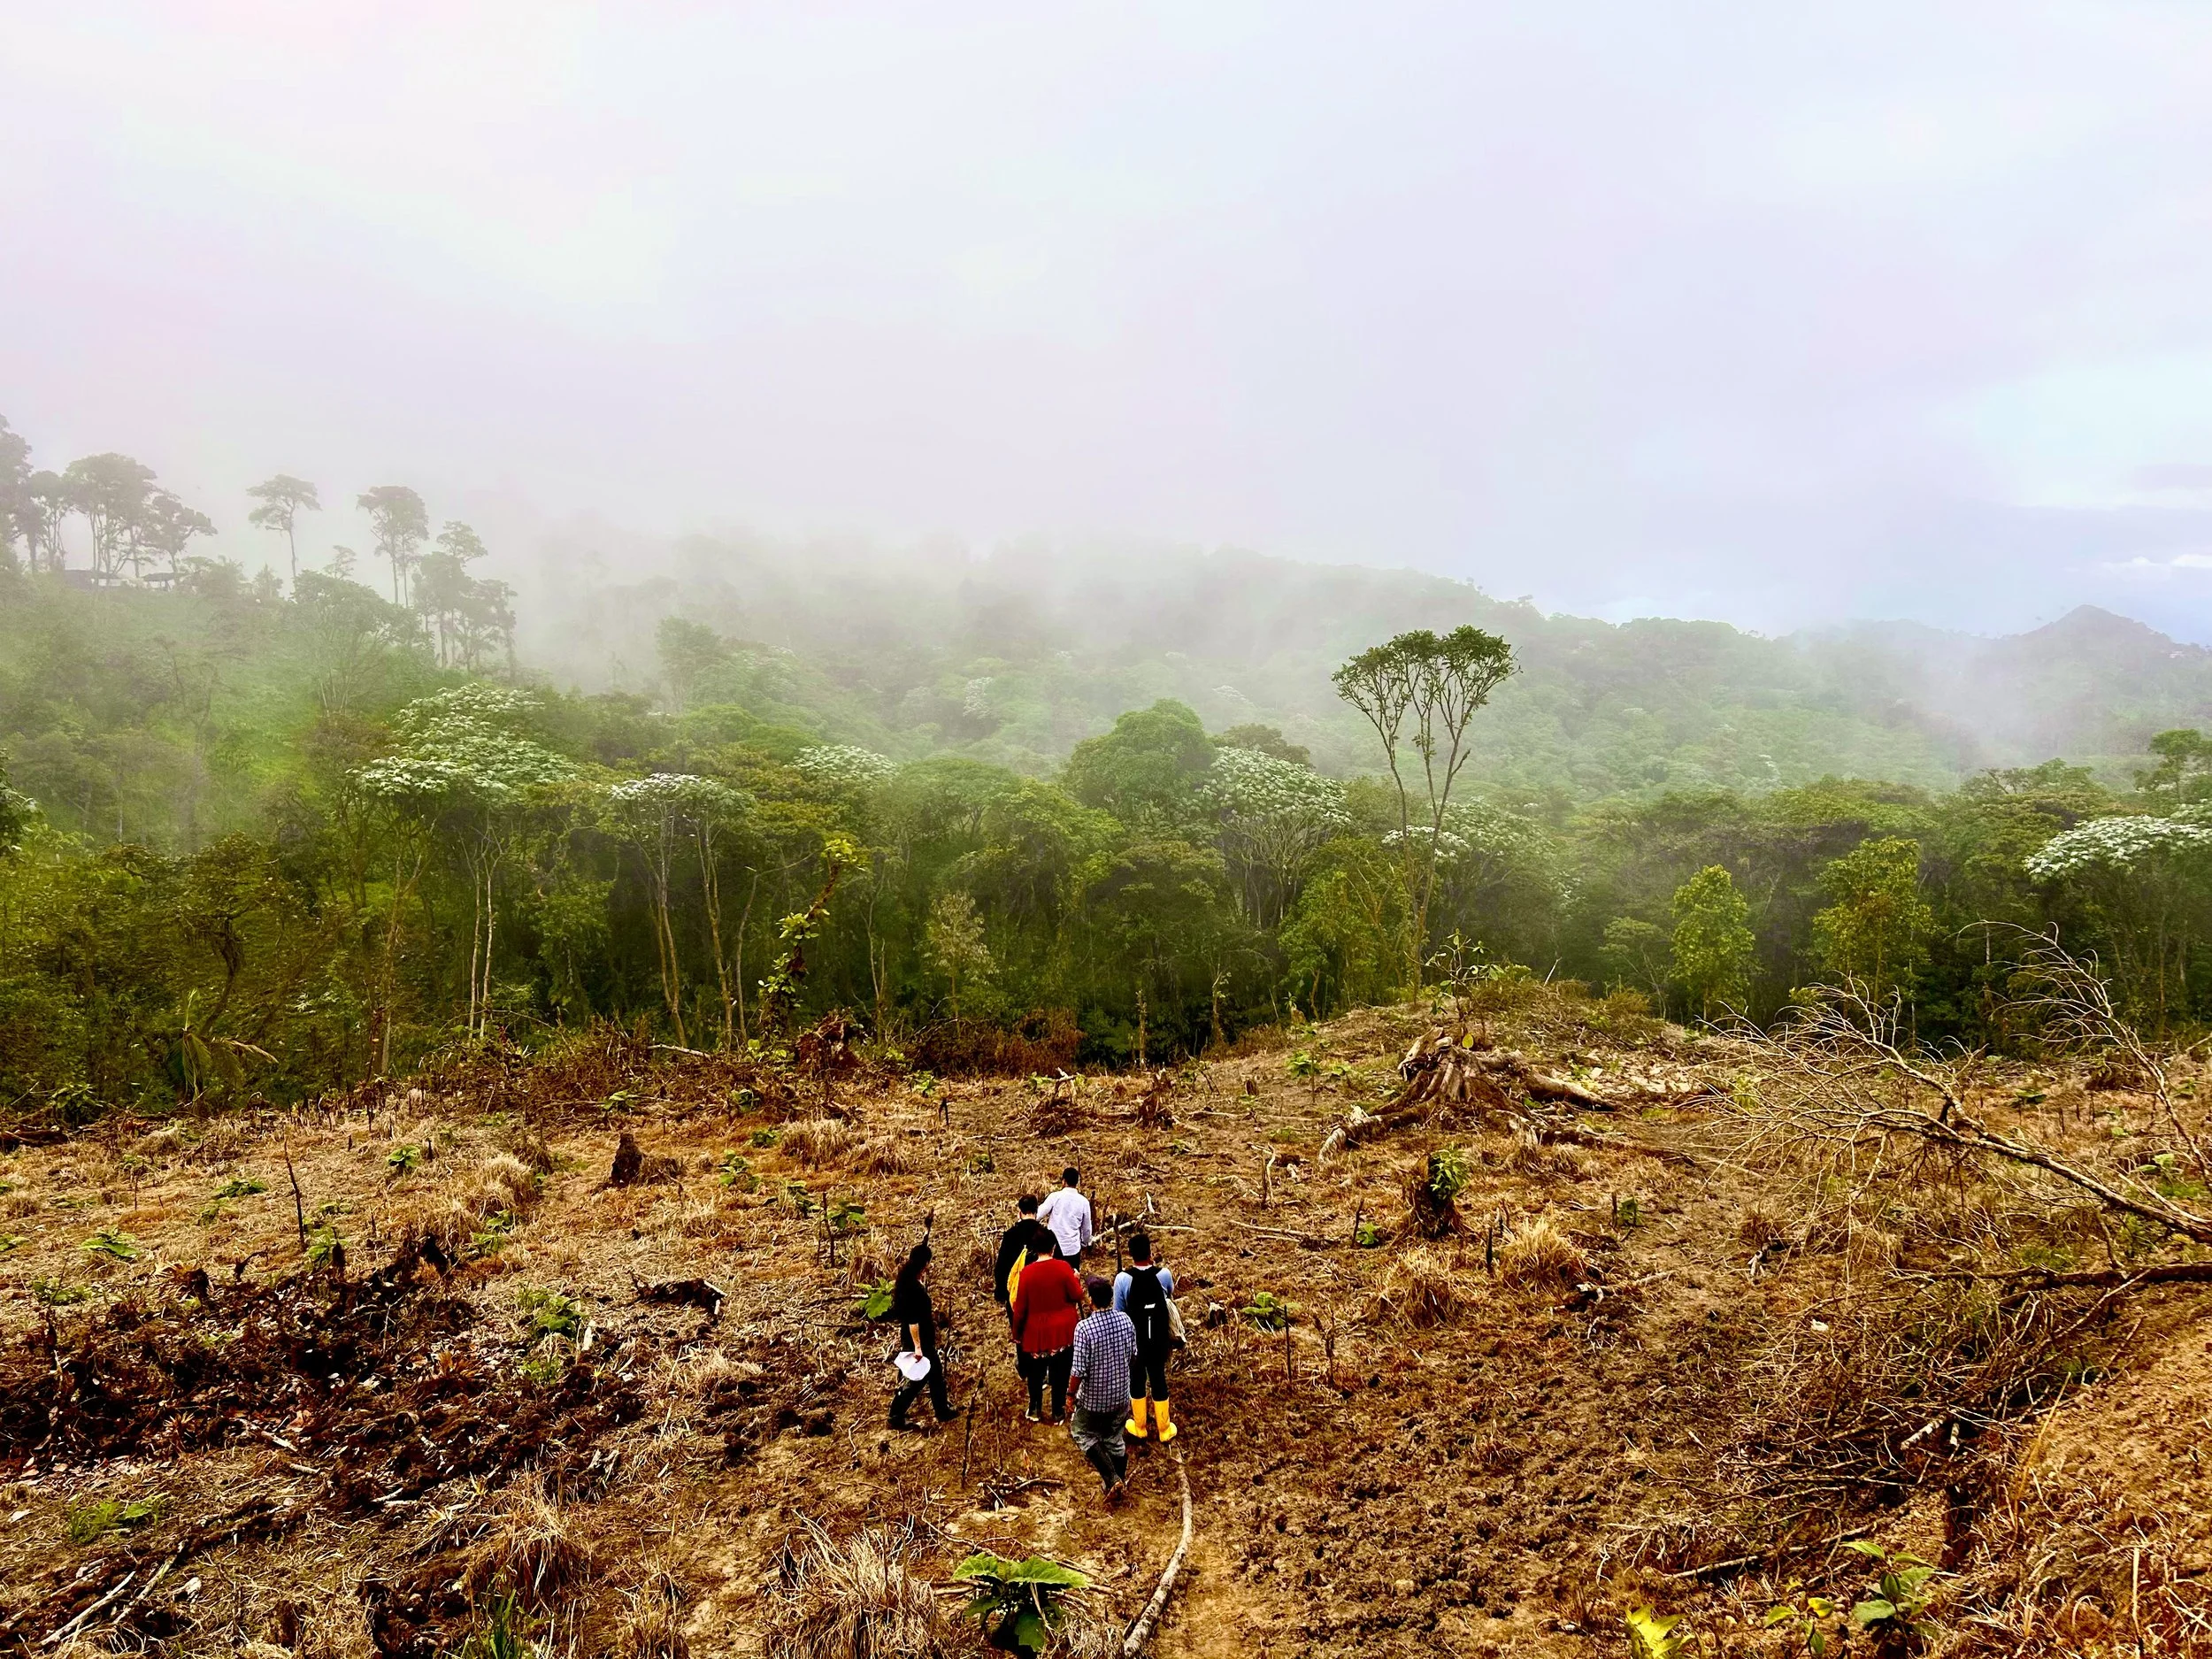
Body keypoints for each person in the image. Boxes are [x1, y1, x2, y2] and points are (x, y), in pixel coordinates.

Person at [1068, 1275, 1138, 1498]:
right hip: (1121, 1397)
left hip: (1094, 1401)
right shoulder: (1126, 1321)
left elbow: (1078, 1370)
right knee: (1114, 1437)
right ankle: (1116, 1485)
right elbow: (1133, 1356)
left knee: (1081, 1432)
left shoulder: (1084, 1329)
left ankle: (1111, 1477)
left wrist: (1070, 1394)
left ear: (1091, 1301)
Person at [1114, 1231, 1179, 1442]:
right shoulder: (1164, 1275)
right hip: (1159, 1338)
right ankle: (1164, 1428)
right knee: (1158, 1377)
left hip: (1136, 1339)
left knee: (1137, 1378)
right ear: (1150, 1252)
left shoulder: (1123, 1279)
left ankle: (1139, 1426)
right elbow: (1169, 1296)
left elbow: (1119, 1312)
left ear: (1130, 1255)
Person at [1009, 1242, 1084, 1424]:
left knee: (1035, 1374)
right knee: (1060, 1373)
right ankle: (1058, 1411)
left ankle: (1035, 1408)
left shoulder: (1026, 1274)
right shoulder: (1063, 1267)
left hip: (1036, 1334)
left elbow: (1020, 1309)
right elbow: (1077, 1295)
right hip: (1062, 1333)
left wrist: (1017, 1334)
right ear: (1053, 1248)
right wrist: (1076, 1279)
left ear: (1035, 1250)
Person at [887, 1240, 956, 1432]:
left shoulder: (907, 1280)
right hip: (919, 1338)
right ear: (924, 1264)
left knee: (935, 1375)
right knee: (919, 1378)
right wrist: (918, 1346)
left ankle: (942, 1410)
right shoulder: (914, 1289)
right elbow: (913, 1320)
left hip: (918, 1337)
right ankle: (896, 1414)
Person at [993, 1193, 1048, 1319]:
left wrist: (1001, 1292)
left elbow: (1001, 1266)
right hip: (1041, 1293)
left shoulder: (1010, 1235)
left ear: (1019, 1212)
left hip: (1016, 1293)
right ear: (1036, 1211)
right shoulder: (1045, 1234)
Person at [1037, 1165, 1094, 1263]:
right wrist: (1084, 1243)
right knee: (1072, 1277)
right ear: (1077, 1182)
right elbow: (1087, 1228)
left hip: (1054, 1247)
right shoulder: (1084, 1202)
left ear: (1063, 1181)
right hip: (1073, 1248)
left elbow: (1038, 1215)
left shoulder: (1054, 1197)